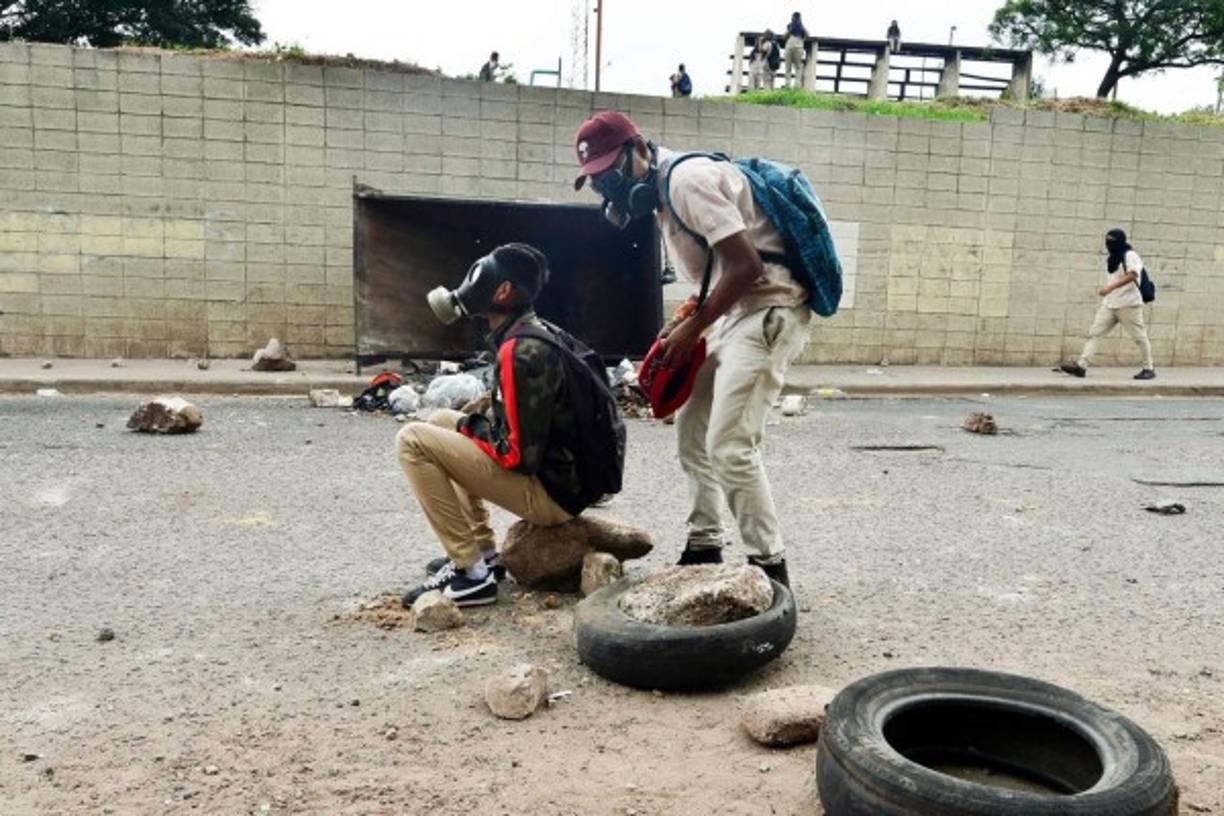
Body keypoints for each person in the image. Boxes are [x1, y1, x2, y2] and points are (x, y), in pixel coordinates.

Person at [571, 110, 813, 587]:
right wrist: (677, 328)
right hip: (732, 313)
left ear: (637, 148)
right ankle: (705, 543)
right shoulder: (663, 197)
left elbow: (746, 267)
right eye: (594, 180)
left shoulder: (687, 181)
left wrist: (693, 329)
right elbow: (715, 276)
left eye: (609, 173)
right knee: (690, 426)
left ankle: (770, 569)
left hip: (768, 307)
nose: (606, 188)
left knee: (730, 445)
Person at [398, 243, 617, 608]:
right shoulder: (533, 330)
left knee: (412, 440)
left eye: (480, 276)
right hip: (567, 479)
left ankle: (471, 575)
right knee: (440, 422)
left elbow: (517, 455)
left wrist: (471, 425)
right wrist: (472, 422)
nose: (470, 284)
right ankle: (484, 554)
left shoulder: (519, 350)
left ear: (502, 291)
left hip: (550, 494)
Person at [1060, 229, 1156, 380]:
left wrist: (1110, 287)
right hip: (1110, 303)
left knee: (1139, 337)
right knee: (1095, 334)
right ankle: (1081, 366)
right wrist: (1110, 291)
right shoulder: (1113, 258)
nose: (1109, 244)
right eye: (1107, 240)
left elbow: (1133, 275)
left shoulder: (1130, 255)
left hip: (1129, 304)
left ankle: (1148, 368)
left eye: (1112, 241)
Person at [784, 13, 807, 89]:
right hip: (799, 47)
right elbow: (808, 34)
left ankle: (787, 86)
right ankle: (797, 86)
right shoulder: (802, 27)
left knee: (788, 68)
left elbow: (784, 36)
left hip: (789, 46)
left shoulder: (790, 26)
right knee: (798, 67)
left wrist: (789, 31)